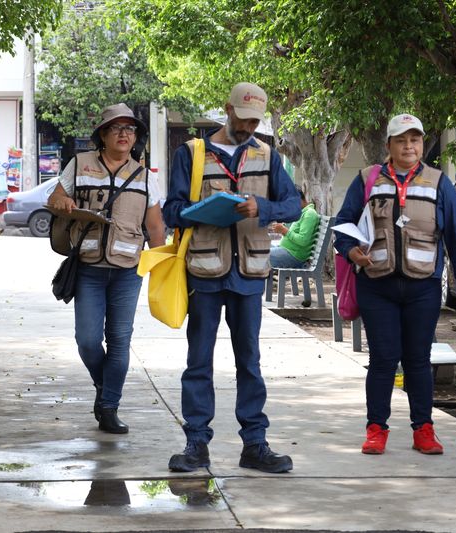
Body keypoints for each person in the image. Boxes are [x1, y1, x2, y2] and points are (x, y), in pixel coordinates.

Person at [162, 82, 300, 473]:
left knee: (250, 362)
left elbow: (293, 205)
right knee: (199, 362)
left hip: (250, 273)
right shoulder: (190, 153)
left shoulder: (267, 154)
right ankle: (195, 444)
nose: (249, 126)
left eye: (256, 120)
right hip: (204, 271)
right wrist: (205, 210)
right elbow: (172, 210)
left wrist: (263, 206)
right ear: (227, 109)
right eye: (243, 118)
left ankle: (255, 444)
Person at [334, 113, 456, 455]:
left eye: (414, 140)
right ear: (389, 145)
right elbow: (342, 225)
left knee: (417, 360)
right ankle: (376, 429)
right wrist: (352, 252)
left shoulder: (440, 183)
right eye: (401, 140)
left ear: (422, 144)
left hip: (423, 287)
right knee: (383, 359)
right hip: (376, 285)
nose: (408, 146)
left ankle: (423, 430)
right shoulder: (367, 179)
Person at [47, 103, 165, 435]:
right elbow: (55, 199)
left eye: (130, 129)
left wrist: (163, 271)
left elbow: (156, 228)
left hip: (128, 270)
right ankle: (105, 387)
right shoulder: (79, 164)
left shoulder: (145, 177)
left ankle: (109, 406)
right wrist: (65, 203)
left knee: (119, 340)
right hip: (88, 267)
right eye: (117, 128)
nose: (125, 134)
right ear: (102, 134)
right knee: (86, 340)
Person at [269, 186, 320, 268]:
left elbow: (303, 240)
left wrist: (285, 231)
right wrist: (283, 230)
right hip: (288, 250)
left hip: (295, 256)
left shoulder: (309, 214)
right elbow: (294, 235)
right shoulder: (302, 212)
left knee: (259, 255)